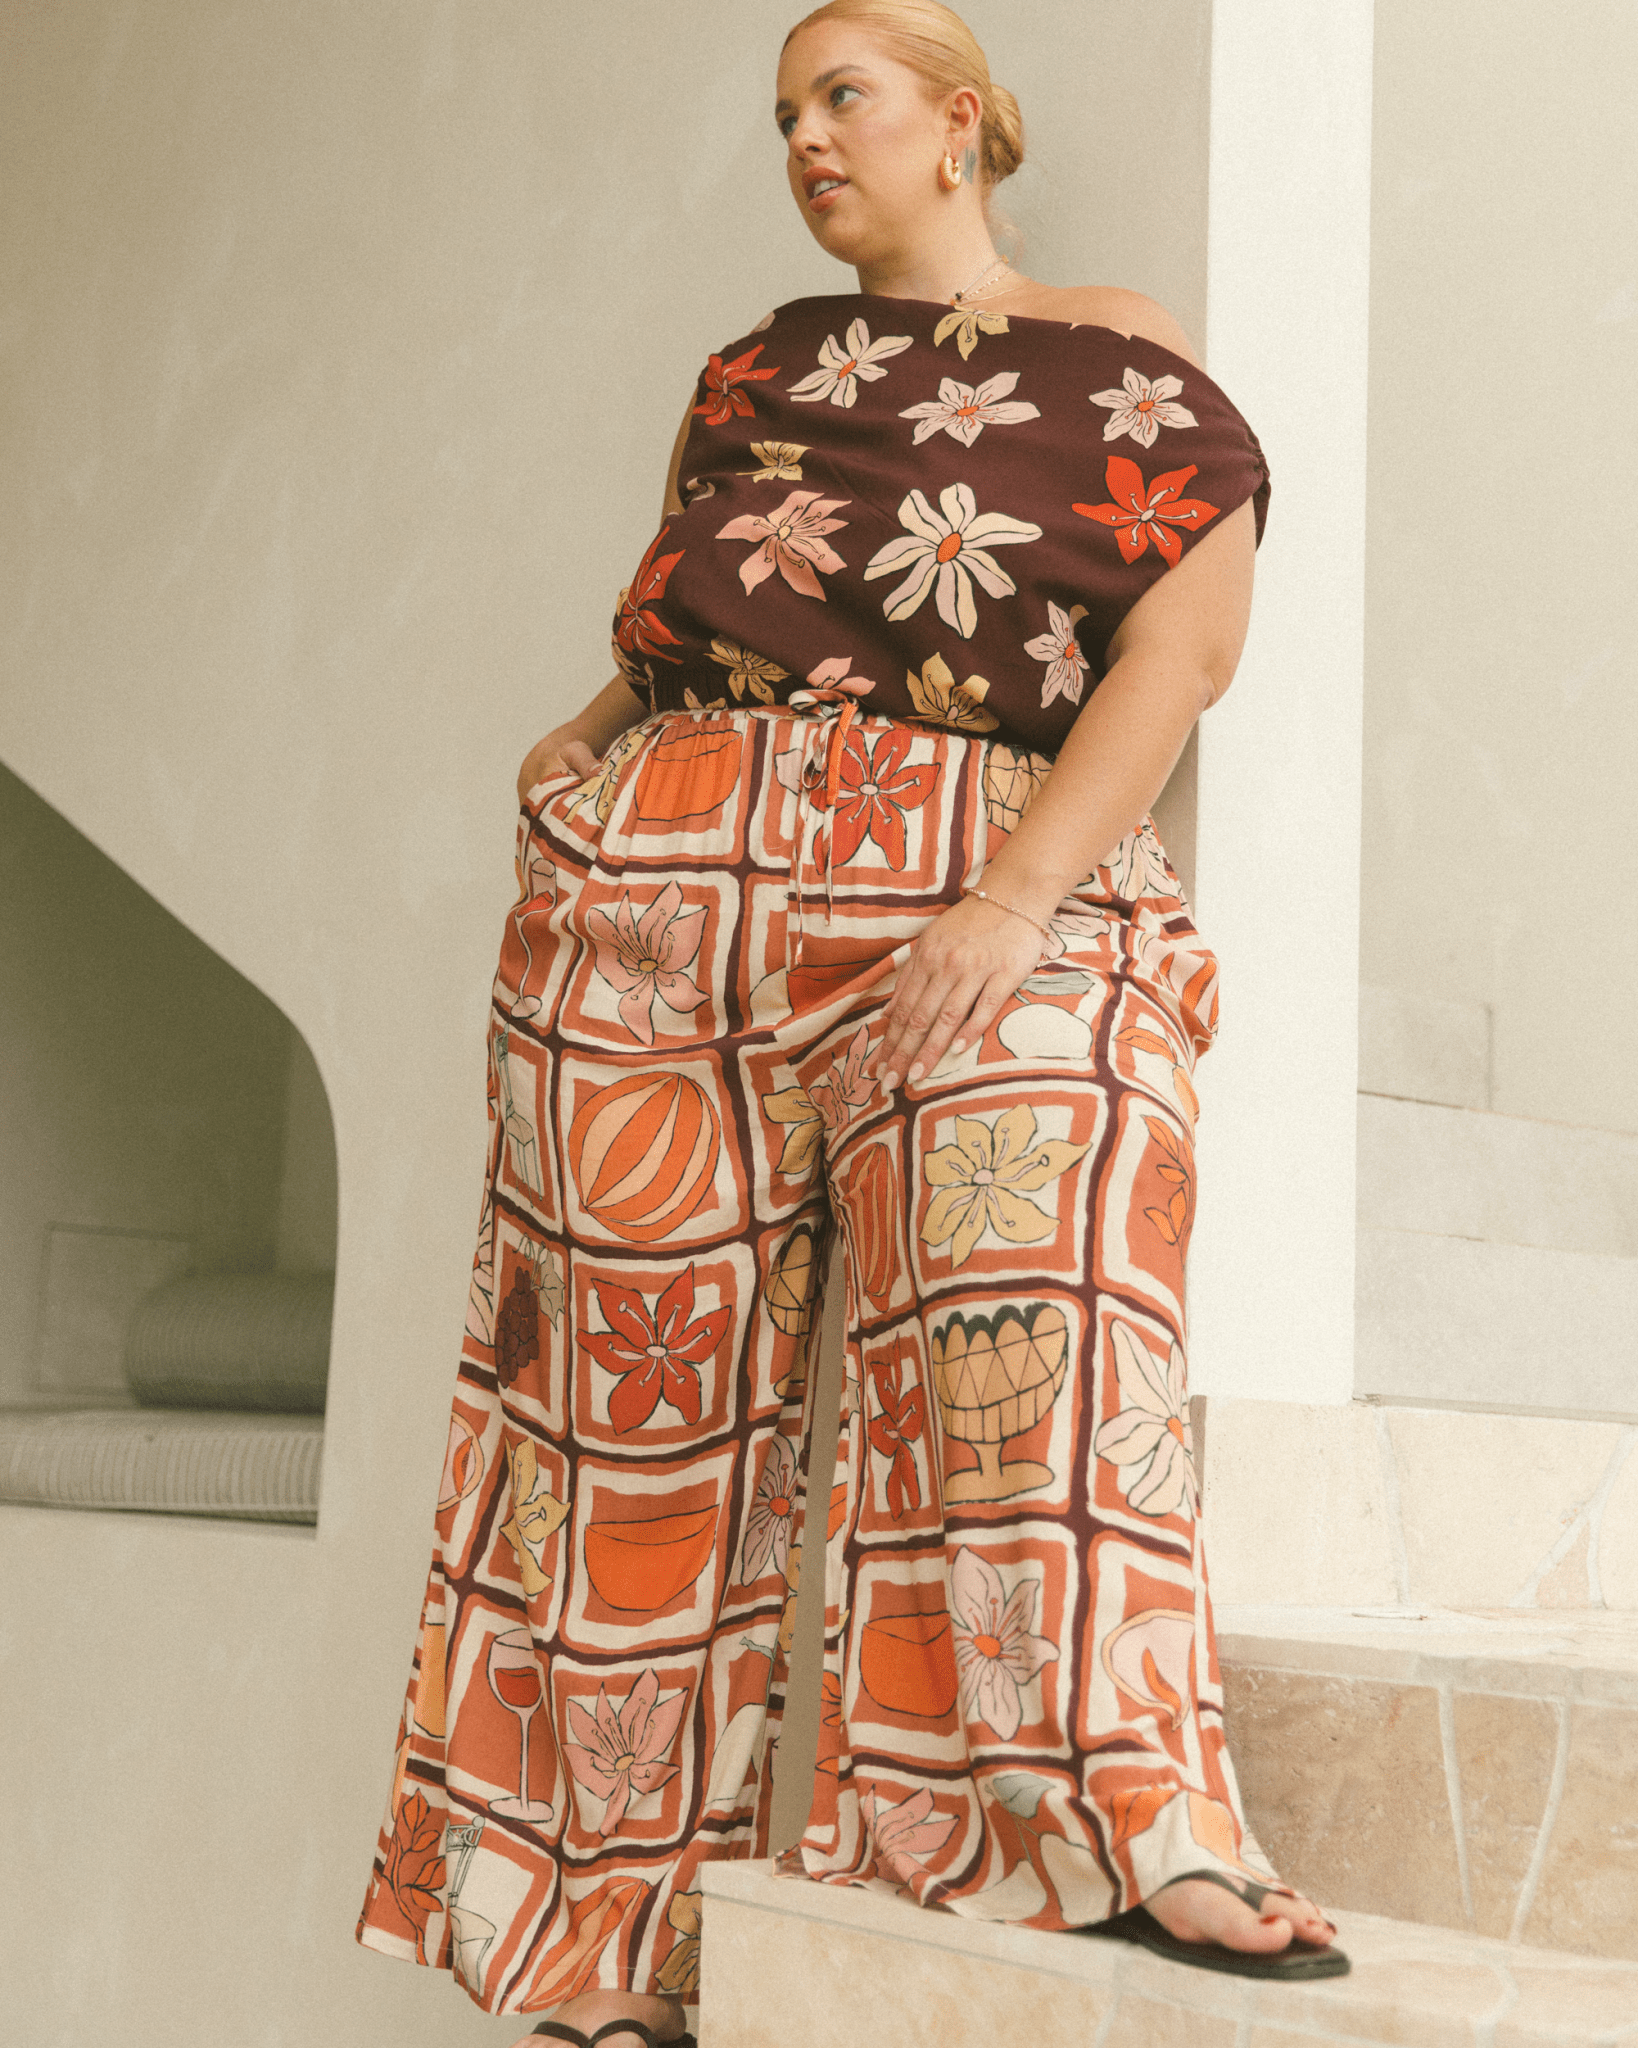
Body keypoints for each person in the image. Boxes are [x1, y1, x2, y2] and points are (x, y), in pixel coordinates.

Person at [355, 4, 1347, 2042]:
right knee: (624, 1418)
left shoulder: (1116, 342)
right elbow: (691, 619)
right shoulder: (754, 368)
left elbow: (1180, 648)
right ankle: (607, 1954)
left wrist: (1016, 896)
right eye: (786, 113)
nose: (807, 137)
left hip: (973, 867)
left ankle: (1130, 1818)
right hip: (659, 895)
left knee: (1037, 1320)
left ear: (959, 124)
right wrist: (578, 748)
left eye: (846, 97)